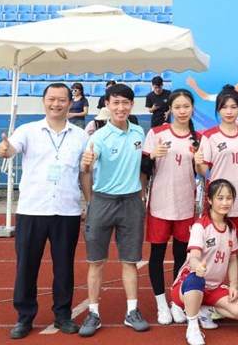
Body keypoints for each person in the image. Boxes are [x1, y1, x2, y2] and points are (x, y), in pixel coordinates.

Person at [0, 83, 90, 339]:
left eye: (62, 100)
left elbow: (84, 173)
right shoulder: (28, 131)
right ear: (43, 102)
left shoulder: (81, 136)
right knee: (26, 265)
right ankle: (24, 317)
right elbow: (10, 149)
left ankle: (62, 315)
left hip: (66, 211)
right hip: (32, 209)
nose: (56, 104)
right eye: (51, 99)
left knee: (64, 267)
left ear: (71, 103)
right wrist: (4, 149)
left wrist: (89, 203)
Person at [78, 83, 149, 337]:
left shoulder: (139, 133)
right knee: (96, 261)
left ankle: (132, 311)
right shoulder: (97, 138)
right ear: (107, 105)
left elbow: (142, 168)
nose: (121, 107)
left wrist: (141, 198)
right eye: (115, 102)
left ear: (132, 105)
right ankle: (93, 314)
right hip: (103, 201)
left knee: (130, 260)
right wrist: (90, 200)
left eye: (125, 103)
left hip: (130, 203)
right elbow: (85, 173)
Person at [142, 89, 200, 326]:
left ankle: (177, 302)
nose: (182, 111)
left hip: (185, 206)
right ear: (171, 110)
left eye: (186, 106)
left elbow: (201, 171)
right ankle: (161, 305)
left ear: (192, 108)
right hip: (160, 205)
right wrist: (152, 156)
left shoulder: (198, 139)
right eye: (178, 107)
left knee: (180, 257)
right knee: (156, 256)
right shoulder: (156, 133)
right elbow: (143, 167)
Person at [171, 179, 238, 345]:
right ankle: (192, 327)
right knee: (196, 278)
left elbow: (232, 258)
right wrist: (198, 266)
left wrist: (233, 285)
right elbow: (193, 256)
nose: (225, 202)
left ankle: (204, 309)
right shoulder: (200, 226)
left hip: (213, 288)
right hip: (189, 286)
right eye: (220, 198)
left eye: (229, 198)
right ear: (209, 200)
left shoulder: (231, 228)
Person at [195, 84, 238, 294]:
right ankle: (209, 290)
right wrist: (198, 162)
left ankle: (235, 291)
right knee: (213, 249)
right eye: (224, 107)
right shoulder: (210, 136)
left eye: (233, 107)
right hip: (217, 204)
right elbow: (203, 171)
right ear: (218, 110)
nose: (229, 111)